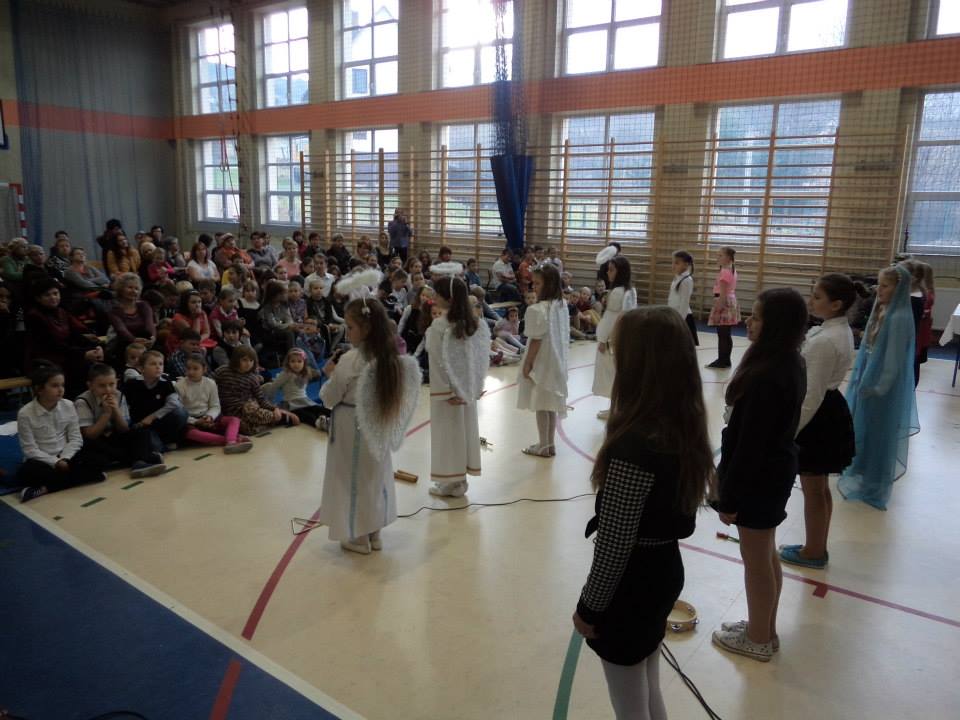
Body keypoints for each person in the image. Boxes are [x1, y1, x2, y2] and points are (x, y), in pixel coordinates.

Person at [573, 308, 712, 720]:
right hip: (662, 570)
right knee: (646, 683)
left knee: (629, 703)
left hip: (632, 585)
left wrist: (589, 607)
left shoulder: (634, 444)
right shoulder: (679, 423)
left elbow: (615, 543)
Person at [711, 288, 808, 663]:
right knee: (765, 554)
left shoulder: (769, 375)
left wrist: (729, 498)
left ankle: (758, 638)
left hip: (760, 478)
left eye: (757, 317)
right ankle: (763, 627)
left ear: (776, 325)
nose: (749, 321)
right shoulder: (786, 361)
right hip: (773, 471)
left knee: (756, 561)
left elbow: (750, 447)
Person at [317, 297, 421, 554]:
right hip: (378, 423)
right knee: (375, 476)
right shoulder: (391, 356)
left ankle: (358, 537)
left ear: (366, 328)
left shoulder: (351, 360)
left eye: (351, 327)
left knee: (352, 478)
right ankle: (374, 533)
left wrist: (329, 375)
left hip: (352, 425)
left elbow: (329, 397)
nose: (347, 332)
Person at [779, 274, 856, 570]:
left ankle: (813, 551)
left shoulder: (826, 340)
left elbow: (811, 394)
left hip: (818, 417)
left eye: (818, 297)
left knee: (813, 488)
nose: (811, 301)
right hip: (828, 409)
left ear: (836, 304)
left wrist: (791, 430)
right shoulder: (833, 330)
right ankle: (816, 545)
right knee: (819, 487)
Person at [838, 264, 919, 511]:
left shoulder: (898, 317)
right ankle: (863, 470)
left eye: (885, 286)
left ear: (899, 289)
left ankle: (875, 479)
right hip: (869, 377)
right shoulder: (882, 310)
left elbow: (894, 360)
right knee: (864, 427)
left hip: (881, 386)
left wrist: (879, 387)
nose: (879, 290)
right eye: (879, 285)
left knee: (879, 432)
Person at [426, 270, 490, 497]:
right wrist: (474, 387)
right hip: (466, 391)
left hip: (449, 392)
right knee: (463, 432)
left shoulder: (439, 326)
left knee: (448, 435)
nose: (434, 296)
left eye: (437, 293)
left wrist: (445, 391)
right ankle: (459, 481)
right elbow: (481, 358)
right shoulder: (475, 324)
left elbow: (438, 362)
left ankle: (452, 483)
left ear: (449, 298)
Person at [16, 363, 108, 503]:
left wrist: (65, 458)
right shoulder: (25, 413)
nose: (60, 390)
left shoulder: (68, 405)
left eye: (62, 385)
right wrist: (56, 462)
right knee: (26, 472)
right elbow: (29, 449)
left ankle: (46, 488)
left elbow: (76, 438)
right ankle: (86, 477)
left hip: (67, 456)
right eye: (54, 386)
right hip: (43, 460)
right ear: (39, 389)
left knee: (98, 457)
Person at [74, 363, 167, 478]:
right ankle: (142, 457)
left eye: (111, 384)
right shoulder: (83, 401)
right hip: (98, 440)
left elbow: (124, 429)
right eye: (102, 386)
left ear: (117, 382)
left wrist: (115, 410)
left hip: (115, 436)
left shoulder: (119, 395)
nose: (108, 390)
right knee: (89, 448)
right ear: (90, 385)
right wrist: (106, 414)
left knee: (143, 433)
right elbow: (89, 435)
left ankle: (138, 463)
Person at [517, 264, 569, 457]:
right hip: (556, 360)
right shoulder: (561, 305)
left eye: (537, 283)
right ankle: (549, 444)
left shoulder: (537, 309)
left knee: (541, 403)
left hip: (542, 361)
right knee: (550, 403)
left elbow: (536, 340)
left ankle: (543, 445)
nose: (534, 287)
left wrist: (528, 363)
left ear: (549, 284)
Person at [24, 278, 104, 396]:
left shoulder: (61, 312)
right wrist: (84, 354)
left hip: (65, 355)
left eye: (55, 293)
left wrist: (96, 347)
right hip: (46, 359)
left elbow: (75, 335)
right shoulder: (34, 316)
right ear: (38, 298)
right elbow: (52, 345)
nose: (53, 297)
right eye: (47, 295)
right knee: (82, 367)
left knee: (100, 363)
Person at [175, 353, 252, 453]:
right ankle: (233, 440)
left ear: (204, 369)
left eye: (195, 369)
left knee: (234, 420)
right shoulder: (179, 386)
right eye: (188, 368)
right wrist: (195, 421)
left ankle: (231, 442)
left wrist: (209, 416)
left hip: (208, 417)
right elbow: (179, 412)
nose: (191, 372)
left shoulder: (210, 383)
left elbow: (215, 405)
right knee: (191, 434)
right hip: (191, 420)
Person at [214, 345, 297, 435]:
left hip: (247, 408)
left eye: (251, 360)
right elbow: (210, 383)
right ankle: (276, 418)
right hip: (229, 412)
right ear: (236, 359)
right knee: (248, 429)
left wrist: (274, 408)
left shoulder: (252, 378)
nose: (248, 363)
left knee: (249, 408)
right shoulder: (222, 371)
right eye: (244, 360)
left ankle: (280, 416)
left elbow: (261, 399)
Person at [593, 256, 637, 419]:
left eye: (611, 270)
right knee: (616, 373)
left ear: (620, 272)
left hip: (613, 340)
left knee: (612, 374)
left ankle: (617, 409)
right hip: (618, 338)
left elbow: (619, 319)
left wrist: (607, 340)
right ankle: (616, 407)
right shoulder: (628, 290)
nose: (608, 273)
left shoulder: (619, 292)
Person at [125, 350, 188, 450]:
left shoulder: (165, 381)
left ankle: (167, 439)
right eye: (153, 364)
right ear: (141, 368)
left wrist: (151, 417)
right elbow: (125, 406)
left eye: (161, 364)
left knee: (180, 412)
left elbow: (173, 404)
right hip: (141, 424)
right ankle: (159, 444)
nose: (158, 367)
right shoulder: (132, 384)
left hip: (158, 419)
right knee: (155, 447)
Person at [263, 348, 327, 426]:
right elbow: (273, 387)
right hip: (292, 404)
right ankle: (321, 424)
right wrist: (271, 404)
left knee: (320, 410)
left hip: (304, 401)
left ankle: (330, 420)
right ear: (288, 362)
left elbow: (319, 374)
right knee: (308, 416)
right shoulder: (286, 374)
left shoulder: (306, 372)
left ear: (304, 362)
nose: (296, 364)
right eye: (292, 361)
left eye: (299, 361)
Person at [107, 273, 156, 360]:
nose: (134, 291)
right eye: (130, 287)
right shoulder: (114, 311)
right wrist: (134, 340)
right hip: (125, 343)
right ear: (121, 289)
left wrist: (153, 338)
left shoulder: (144, 305)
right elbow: (121, 330)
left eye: (136, 288)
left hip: (145, 340)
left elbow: (150, 325)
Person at [706, 247, 739, 369]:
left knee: (722, 334)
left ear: (729, 258)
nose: (717, 258)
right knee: (726, 334)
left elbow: (723, 294)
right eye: (717, 255)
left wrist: (717, 311)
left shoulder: (725, 271)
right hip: (730, 301)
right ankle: (725, 360)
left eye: (720, 255)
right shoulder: (731, 269)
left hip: (724, 302)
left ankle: (722, 361)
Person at [668, 250, 698, 346]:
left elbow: (684, 303)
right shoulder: (678, 277)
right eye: (673, 262)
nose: (673, 265)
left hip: (682, 317)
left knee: (682, 346)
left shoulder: (686, 281)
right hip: (674, 314)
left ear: (686, 264)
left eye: (677, 263)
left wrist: (679, 321)